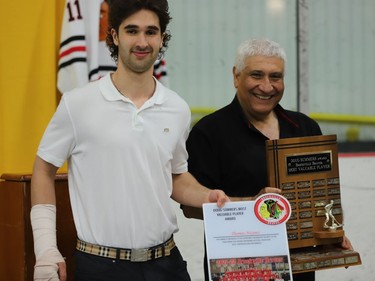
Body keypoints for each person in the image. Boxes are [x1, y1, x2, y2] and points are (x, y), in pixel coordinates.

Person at [30, 1, 229, 280]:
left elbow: (175, 177)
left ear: (162, 38)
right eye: (132, 30)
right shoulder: (77, 104)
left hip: (166, 264)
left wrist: (207, 196)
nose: (142, 41)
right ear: (114, 36)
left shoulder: (177, 108)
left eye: (151, 32)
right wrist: (45, 249)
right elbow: (43, 169)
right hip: (100, 265)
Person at [181, 38, 353, 281]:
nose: (267, 86)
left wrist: (330, 235)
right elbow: (190, 208)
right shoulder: (209, 133)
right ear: (236, 76)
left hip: (299, 270)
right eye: (256, 75)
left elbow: (319, 197)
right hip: (237, 269)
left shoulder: (305, 127)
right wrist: (253, 207)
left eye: (276, 77)